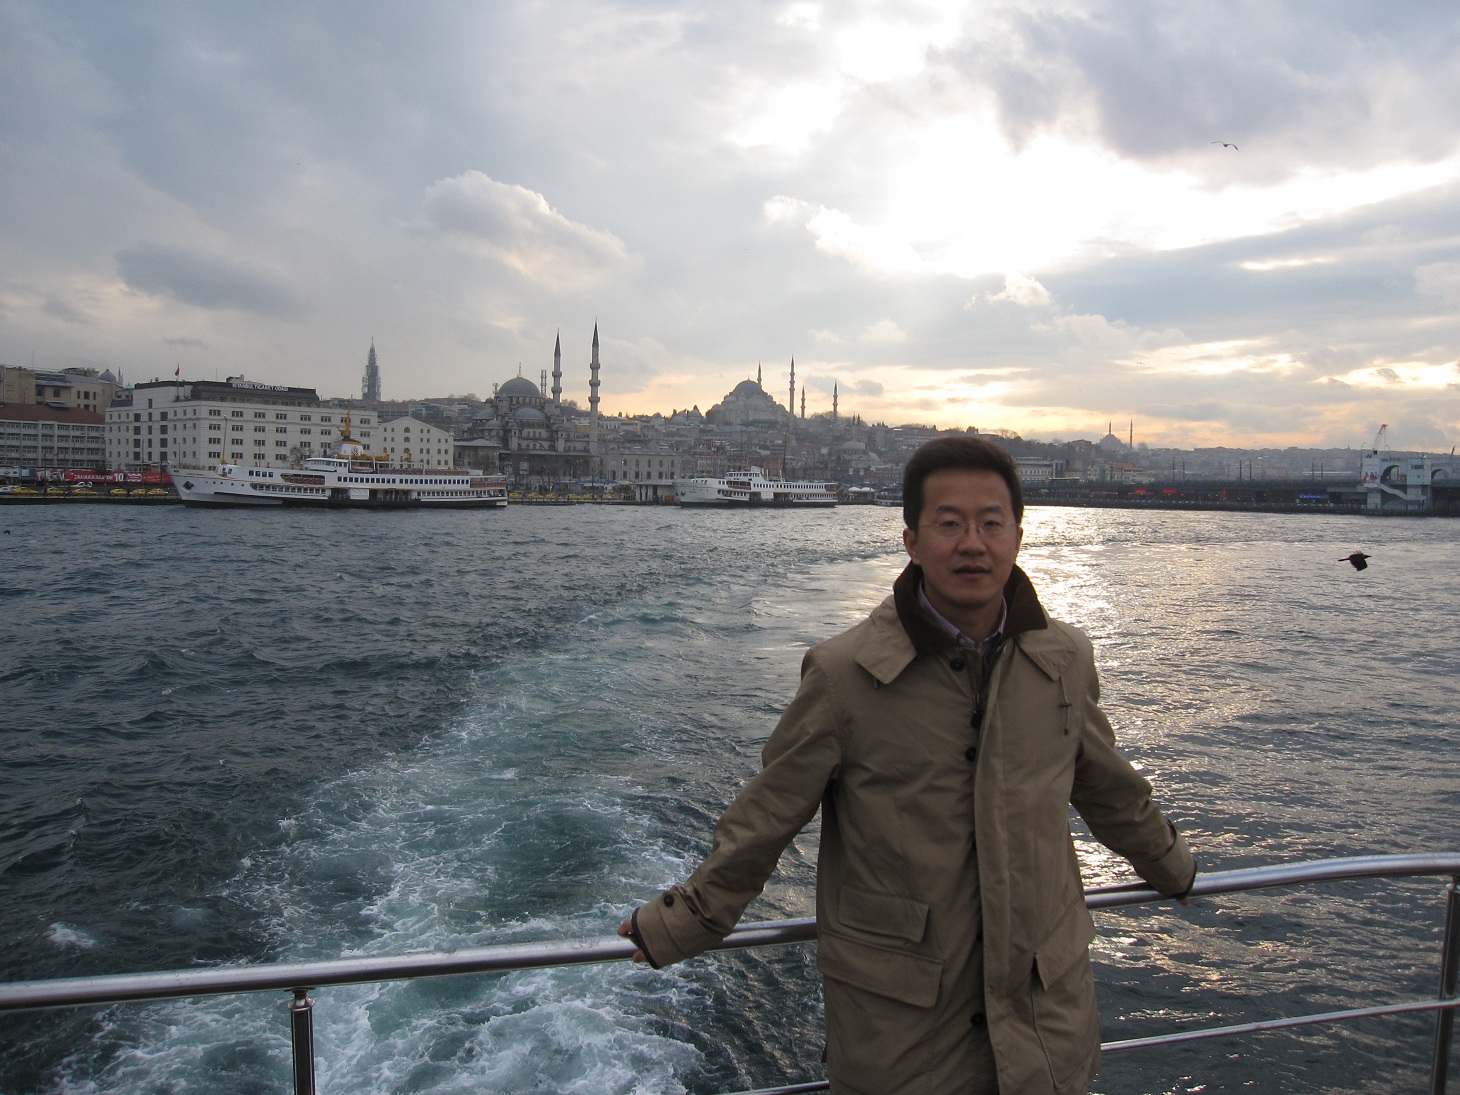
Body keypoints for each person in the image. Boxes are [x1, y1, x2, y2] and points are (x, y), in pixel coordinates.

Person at [619, 436, 1196, 1095]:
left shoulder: (1062, 659)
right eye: (949, 524)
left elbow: (1107, 786)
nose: (972, 543)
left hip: (1042, 1033)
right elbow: (767, 815)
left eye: (991, 523)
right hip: (905, 1038)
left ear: (1017, 536)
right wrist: (686, 918)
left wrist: (1169, 865)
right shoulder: (844, 676)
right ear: (912, 542)